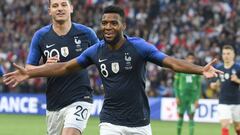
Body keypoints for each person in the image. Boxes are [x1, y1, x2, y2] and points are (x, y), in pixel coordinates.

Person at [4, 5, 222, 135]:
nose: (108, 27)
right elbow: (65, 67)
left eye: (113, 23)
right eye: (104, 23)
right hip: (110, 121)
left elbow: (171, 62)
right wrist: (30, 72)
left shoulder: (138, 47)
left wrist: (200, 70)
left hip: (140, 122)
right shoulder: (95, 51)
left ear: (123, 25)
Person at [24, 0, 99, 135]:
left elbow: (103, 58)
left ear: (71, 8)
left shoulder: (87, 33)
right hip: (54, 104)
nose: (60, 8)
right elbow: (28, 69)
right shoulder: (41, 36)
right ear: (49, 11)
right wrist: (45, 67)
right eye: (55, 5)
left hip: (81, 98)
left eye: (64, 4)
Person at [210, 45, 240, 135]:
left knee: (238, 128)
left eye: (228, 53)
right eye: (224, 54)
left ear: (233, 55)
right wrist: (214, 85)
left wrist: (237, 80)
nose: (226, 56)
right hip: (223, 101)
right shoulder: (218, 68)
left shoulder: (238, 68)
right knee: (225, 125)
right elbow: (213, 84)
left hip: (237, 102)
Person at [173, 52, 201, 135]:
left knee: (191, 117)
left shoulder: (197, 71)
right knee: (180, 117)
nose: (190, 60)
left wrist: (197, 99)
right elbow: (175, 85)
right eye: (189, 58)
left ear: (193, 60)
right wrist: (177, 96)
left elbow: (198, 87)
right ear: (186, 59)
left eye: (192, 59)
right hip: (182, 97)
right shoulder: (180, 70)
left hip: (192, 97)